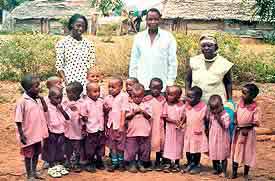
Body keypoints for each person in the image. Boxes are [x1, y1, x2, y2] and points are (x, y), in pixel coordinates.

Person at [129, 8, 177, 91]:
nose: (153, 22)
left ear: (160, 20)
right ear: (146, 20)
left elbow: (172, 62)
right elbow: (134, 61)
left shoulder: (168, 37)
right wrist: (133, 81)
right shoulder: (139, 37)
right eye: (150, 19)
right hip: (141, 85)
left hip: (161, 86)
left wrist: (170, 83)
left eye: (156, 19)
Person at [15, 74, 48, 181]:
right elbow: (18, 120)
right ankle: (29, 175)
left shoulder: (37, 99)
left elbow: (45, 110)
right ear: (29, 89)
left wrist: (42, 99)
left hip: (37, 134)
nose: (39, 88)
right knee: (28, 155)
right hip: (28, 135)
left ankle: (34, 172)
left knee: (36, 154)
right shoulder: (22, 101)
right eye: (36, 86)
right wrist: (21, 135)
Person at [185, 34, 234, 103]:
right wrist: (187, 95)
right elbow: (188, 80)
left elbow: (228, 83)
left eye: (209, 46)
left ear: (216, 47)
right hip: (196, 102)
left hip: (216, 104)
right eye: (203, 46)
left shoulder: (224, 63)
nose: (206, 48)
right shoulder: (194, 61)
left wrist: (230, 101)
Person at [55, 14, 96, 87]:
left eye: (83, 27)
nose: (80, 29)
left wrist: (90, 83)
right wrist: (67, 83)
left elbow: (91, 65)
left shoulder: (89, 44)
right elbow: (59, 66)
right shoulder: (62, 43)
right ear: (71, 25)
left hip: (85, 83)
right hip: (69, 82)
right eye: (78, 26)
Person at [230, 83, 261, 180]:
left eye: (244, 93)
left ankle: (246, 173)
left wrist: (243, 126)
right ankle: (234, 172)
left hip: (248, 134)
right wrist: (235, 120)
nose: (242, 95)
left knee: (248, 153)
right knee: (236, 151)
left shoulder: (256, 108)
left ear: (252, 96)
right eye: (242, 92)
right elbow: (235, 112)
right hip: (238, 133)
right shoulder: (239, 103)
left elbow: (256, 122)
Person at [125, 83, 152, 173]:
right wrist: (133, 113)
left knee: (143, 150)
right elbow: (126, 117)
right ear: (131, 95)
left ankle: (141, 164)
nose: (137, 99)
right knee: (131, 150)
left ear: (143, 95)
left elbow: (149, 116)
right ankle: (132, 164)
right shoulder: (129, 105)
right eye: (135, 96)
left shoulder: (147, 105)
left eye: (139, 96)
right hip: (132, 132)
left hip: (144, 132)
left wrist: (142, 111)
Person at [44, 87, 71, 178]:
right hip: (51, 131)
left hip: (62, 131)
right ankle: (51, 166)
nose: (59, 100)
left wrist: (62, 110)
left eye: (61, 97)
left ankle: (59, 165)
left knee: (60, 148)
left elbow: (68, 118)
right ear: (49, 97)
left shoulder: (64, 105)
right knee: (51, 148)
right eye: (56, 98)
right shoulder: (47, 107)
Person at [104, 77, 129, 172]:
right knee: (112, 145)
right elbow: (105, 111)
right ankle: (114, 163)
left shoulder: (123, 96)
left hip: (119, 125)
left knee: (120, 146)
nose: (110, 89)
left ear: (120, 87)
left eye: (113, 87)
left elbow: (123, 111)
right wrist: (106, 108)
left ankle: (121, 163)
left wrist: (122, 125)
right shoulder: (108, 97)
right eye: (109, 87)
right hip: (110, 125)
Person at [182, 86, 208, 174]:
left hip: (198, 132)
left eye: (190, 97)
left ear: (198, 98)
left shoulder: (204, 107)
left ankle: (196, 164)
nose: (188, 99)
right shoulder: (186, 105)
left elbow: (207, 120)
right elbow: (185, 116)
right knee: (188, 149)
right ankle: (189, 163)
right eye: (187, 96)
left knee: (196, 150)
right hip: (188, 131)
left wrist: (207, 130)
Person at [81, 82, 105, 172]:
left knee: (100, 146)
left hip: (100, 129)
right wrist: (84, 120)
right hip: (90, 130)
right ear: (87, 93)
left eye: (98, 91)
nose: (97, 93)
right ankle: (90, 163)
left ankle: (99, 160)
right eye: (95, 91)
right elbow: (83, 117)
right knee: (90, 148)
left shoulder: (100, 101)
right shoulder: (85, 103)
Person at [144, 78, 166, 171]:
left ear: (161, 88)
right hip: (148, 125)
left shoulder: (164, 100)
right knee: (147, 143)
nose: (155, 90)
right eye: (153, 88)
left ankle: (158, 161)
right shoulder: (146, 99)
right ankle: (146, 161)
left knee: (159, 144)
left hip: (159, 125)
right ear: (149, 87)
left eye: (158, 88)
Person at [162, 86, 185, 173]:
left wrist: (181, 122)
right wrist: (174, 121)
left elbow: (184, 116)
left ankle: (176, 164)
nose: (168, 96)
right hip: (169, 130)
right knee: (168, 146)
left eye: (171, 95)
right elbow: (165, 117)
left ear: (178, 96)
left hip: (179, 131)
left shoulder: (182, 105)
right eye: (168, 94)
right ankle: (167, 164)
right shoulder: (166, 105)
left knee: (178, 146)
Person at [207, 95, 230, 178]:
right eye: (212, 108)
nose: (215, 110)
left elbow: (226, 126)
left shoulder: (225, 115)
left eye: (217, 108)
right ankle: (216, 169)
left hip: (222, 138)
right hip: (213, 137)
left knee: (223, 155)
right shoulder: (211, 114)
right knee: (214, 153)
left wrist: (219, 119)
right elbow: (209, 123)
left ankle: (224, 171)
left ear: (222, 106)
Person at [63, 82, 84, 173]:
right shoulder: (65, 102)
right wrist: (67, 106)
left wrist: (78, 110)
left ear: (77, 93)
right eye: (67, 92)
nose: (68, 95)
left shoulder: (82, 103)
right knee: (67, 148)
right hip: (67, 131)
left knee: (77, 148)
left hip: (77, 131)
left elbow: (84, 115)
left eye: (70, 93)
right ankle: (68, 162)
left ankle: (76, 163)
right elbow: (61, 112)